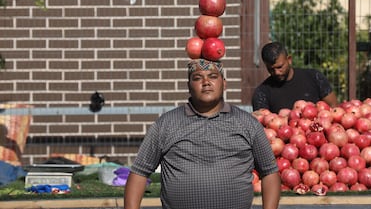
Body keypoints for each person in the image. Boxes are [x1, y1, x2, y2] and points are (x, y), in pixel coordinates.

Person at [124, 58, 281, 209]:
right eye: (198, 78)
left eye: (213, 76)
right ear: (189, 86)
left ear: (224, 83)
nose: (206, 82)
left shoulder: (247, 123)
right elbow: (139, 172)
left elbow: (269, 172)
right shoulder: (166, 124)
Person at [252, 41, 338, 113]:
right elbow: (261, 125)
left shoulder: (314, 77)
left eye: (280, 67)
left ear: (289, 60)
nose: (276, 72)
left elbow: (334, 109)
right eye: (271, 69)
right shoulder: (262, 93)